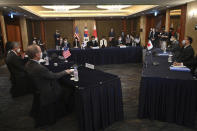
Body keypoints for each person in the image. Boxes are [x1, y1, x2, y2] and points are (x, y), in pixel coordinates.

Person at [25, 44, 73, 127]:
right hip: (47, 92)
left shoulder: (28, 64)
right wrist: (66, 72)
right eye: (40, 51)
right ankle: (65, 111)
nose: (42, 53)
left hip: (38, 89)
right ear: (36, 54)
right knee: (68, 89)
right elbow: (54, 76)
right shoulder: (40, 68)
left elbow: (45, 74)